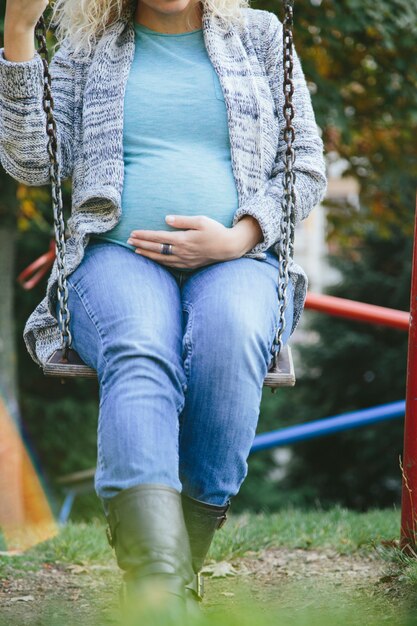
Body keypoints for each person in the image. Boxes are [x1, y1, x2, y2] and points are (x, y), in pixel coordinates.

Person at [0, 0, 327, 618]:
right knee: (140, 345)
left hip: (242, 259)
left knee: (230, 336)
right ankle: (156, 585)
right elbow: (31, 162)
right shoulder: (88, 44)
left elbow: (303, 166)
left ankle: (181, 563)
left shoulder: (258, 35)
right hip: (116, 255)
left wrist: (240, 236)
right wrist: (18, 32)